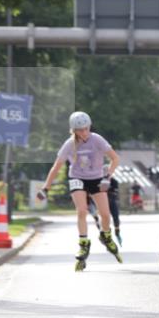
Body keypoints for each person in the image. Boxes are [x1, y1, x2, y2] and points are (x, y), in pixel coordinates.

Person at [38, 111, 122, 270]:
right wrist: (45, 188)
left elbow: (115, 159)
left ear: (89, 126)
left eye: (85, 128)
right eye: (79, 130)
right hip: (77, 178)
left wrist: (107, 177)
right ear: (73, 130)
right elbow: (57, 167)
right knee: (81, 211)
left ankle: (106, 235)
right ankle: (83, 243)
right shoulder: (69, 144)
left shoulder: (97, 140)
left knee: (105, 214)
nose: (83, 132)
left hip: (97, 178)